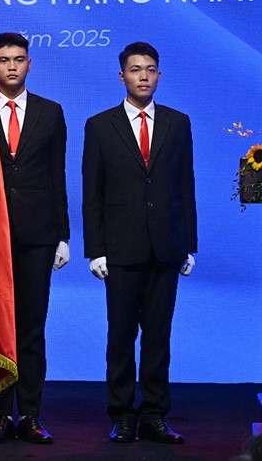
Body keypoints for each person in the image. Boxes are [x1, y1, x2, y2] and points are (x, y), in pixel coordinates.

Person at [83, 41, 196, 445]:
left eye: (150, 69)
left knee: (158, 336)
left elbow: (185, 185)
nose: (143, 76)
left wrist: (189, 244)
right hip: (120, 248)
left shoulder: (177, 122)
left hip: (166, 246)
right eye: (135, 69)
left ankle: (154, 414)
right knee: (121, 336)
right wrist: (95, 249)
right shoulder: (100, 125)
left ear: (159, 75)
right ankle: (122, 415)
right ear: (122, 77)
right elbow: (92, 192)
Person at [0, 33, 69, 445]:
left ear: (29, 64)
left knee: (32, 328)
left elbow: (57, 177)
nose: (12, 66)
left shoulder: (51, 112)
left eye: (18, 59)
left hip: (38, 236)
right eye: (4, 59)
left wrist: (63, 236)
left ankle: (30, 414)